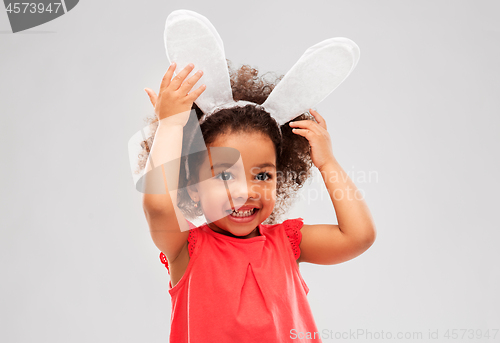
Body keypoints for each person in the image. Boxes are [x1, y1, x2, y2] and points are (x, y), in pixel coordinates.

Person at [137, 60, 376, 343]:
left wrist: (328, 164)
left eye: (262, 174)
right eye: (225, 176)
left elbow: (359, 235)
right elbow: (157, 205)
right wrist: (171, 125)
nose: (245, 191)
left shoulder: (287, 243)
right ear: (192, 188)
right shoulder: (186, 249)